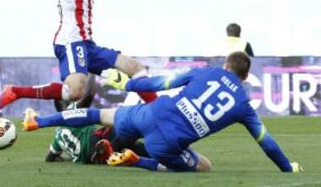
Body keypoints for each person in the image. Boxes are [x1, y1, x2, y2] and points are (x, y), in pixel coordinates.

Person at [0, 0, 190, 113]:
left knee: (136, 69)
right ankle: (16, 91)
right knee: (76, 92)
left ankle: (158, 112)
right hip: (70, 41)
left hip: (88, 44)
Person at [22, 52, 303, 172]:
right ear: (243, 78)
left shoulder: (204, 72)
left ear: (225, 65)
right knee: (204, 165)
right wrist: (287, 166)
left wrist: (130, 83)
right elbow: (265, 140)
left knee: (99, 115)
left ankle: (39, 122)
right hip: (167, 143)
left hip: (151, 112)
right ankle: (135, 161)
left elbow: (163, 83)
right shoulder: (243, 105)